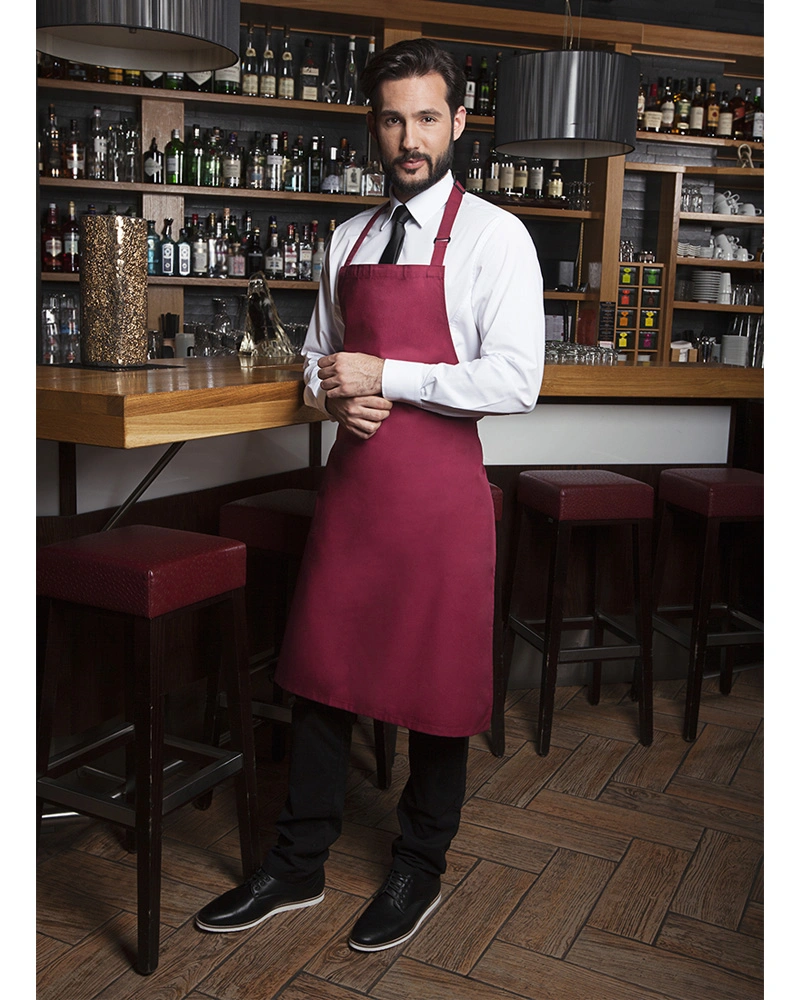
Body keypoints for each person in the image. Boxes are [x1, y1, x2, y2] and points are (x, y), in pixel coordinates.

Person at [196, 38, 545, 952]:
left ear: (459, 121)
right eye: (392, 120)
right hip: (353, 493)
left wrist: (386, 374)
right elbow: (318, 359)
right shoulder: (347, 238)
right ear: (373, 127)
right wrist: (332, 392)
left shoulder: (496, 237)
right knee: (320, 673)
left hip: (439, 501)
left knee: (437, 689)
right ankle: (296, 865)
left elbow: (517, 381)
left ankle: (418, 867)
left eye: (427, 117)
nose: (409, 138)